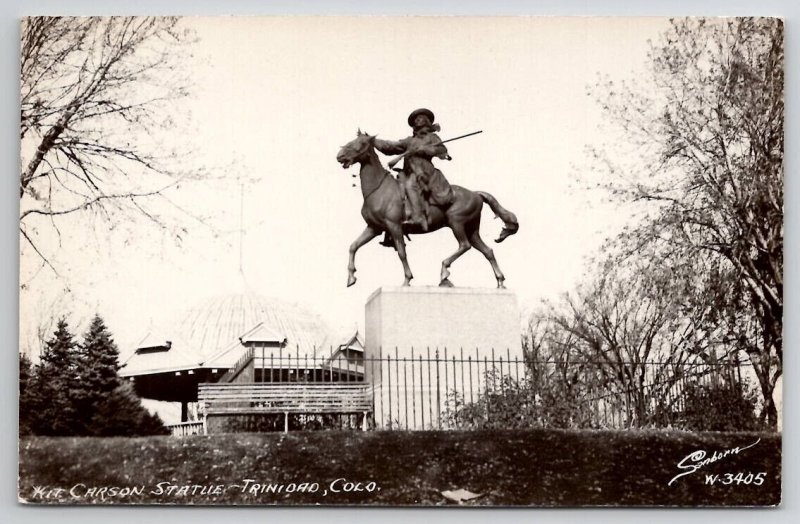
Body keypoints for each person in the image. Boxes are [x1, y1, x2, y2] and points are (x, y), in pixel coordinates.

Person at [374, 108, 455, 233]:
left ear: (427, 121)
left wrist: (425, 149)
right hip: (408, 171)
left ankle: (418, 217)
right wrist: (373, 141)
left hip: (423, 171)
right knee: (395, 190)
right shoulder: (409, 141)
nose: (417, 120)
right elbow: (391, 147)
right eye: (415, 119)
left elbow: (442, 151)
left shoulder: (432, 137)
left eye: (420, 118)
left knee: (410, 185)